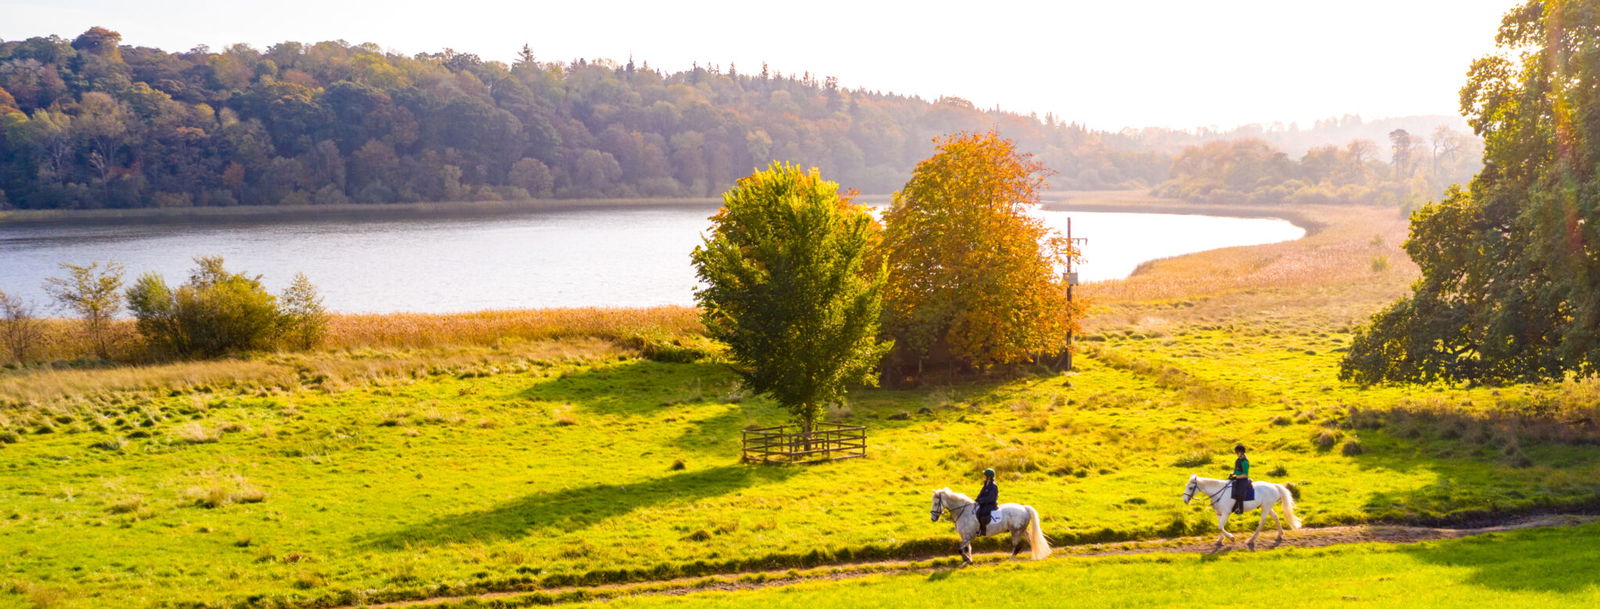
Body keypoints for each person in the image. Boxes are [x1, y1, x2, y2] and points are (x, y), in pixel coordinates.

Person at [1228, 444, 1252, 514]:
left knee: (1239, 493)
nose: (1236, 454)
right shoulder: (1238, 460)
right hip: (1237, 478)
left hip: (1243, 480)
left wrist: (1236, 477)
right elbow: (1236, 470)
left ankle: (1239, 508)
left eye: (1237, 452)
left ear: (1241, 452)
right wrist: (1232, 473)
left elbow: (1245, 475)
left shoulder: (1245, 462)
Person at [975, 468, 999, 535]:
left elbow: (991, 498)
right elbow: (982, 493)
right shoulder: (986, 484)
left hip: (990, 504)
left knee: (983, 513)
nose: (984, 477)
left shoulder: (993, 486)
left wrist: (982, 500)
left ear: (989, 477)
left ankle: (983, 530)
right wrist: (977, 499)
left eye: (985, 475)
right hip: (984, 503)